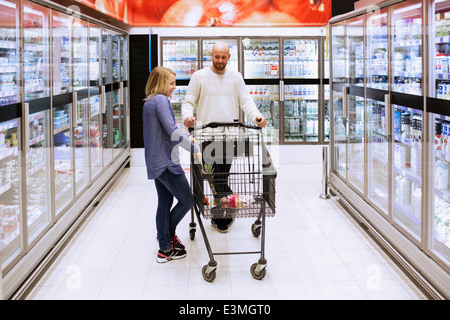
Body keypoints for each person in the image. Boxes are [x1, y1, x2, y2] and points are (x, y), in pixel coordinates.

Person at [181, 41, 266, 233]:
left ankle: (222, 213)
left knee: (222, 176)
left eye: (223, 57)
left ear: (229, 57)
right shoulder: (199, 77)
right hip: (205, 137)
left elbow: (246, 101)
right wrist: (187, 117)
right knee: (213, 178)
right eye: (217, 57)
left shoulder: (235, 77)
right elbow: (188, 102)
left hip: (229, 136)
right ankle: (231, 205)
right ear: (211, 55)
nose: (220, 61)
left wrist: (257, 117)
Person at [143, 66, 201, 263]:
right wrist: (195, 149)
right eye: (171, 83)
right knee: (187, 201)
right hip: (166, 163)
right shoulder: (161, 100)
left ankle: (165, 246)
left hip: (155, 161)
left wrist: (186, 137)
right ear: (160, 83)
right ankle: (165, 241)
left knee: (165, 203)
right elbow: (171, 130)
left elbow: (167, 130)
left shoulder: (150, 102)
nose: (174, 87)